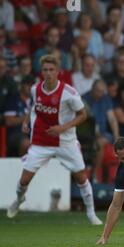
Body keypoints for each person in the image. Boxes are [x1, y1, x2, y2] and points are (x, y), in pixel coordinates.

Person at [6, 55, 102, 225]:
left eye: (51, 70)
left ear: (58, 72)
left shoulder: (69, 93)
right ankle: (19, 200)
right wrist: (26, 122)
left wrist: (62, 128)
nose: (48, 73)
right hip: (41, 141)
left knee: (81, 177)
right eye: (45, 70)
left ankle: (91, 213)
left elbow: (83, 115)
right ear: (41, 72)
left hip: (66, 142)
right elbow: (33, 107)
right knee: (24, 180)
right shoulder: (35, 89)